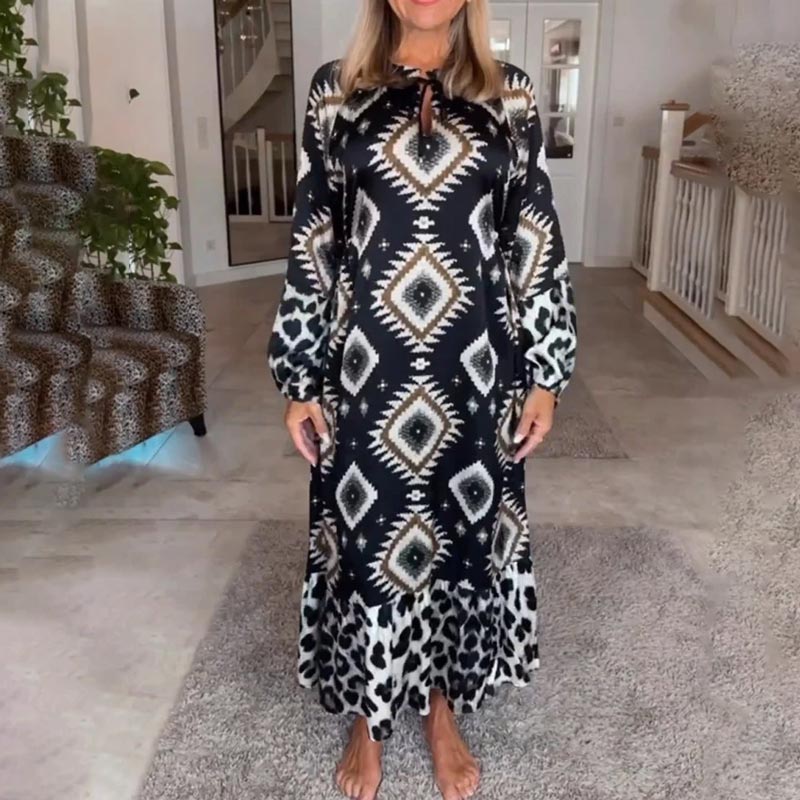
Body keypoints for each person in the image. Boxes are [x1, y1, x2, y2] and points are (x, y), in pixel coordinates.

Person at [268, 1, 577, 798]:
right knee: (370, 537)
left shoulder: (511, 95)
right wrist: (299, 379)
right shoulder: (336, 91)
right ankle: (370, 718)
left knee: (457, 533)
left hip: (474, 366)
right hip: (365, 370)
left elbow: (534, 239)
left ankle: (442, 710)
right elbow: (314, 241)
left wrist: (547, 371)